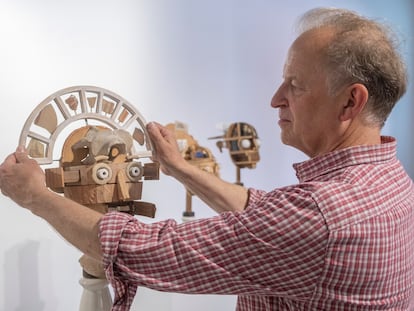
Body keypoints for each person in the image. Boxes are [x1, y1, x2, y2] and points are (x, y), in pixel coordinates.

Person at [0, 7, 413, 311]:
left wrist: (36, 196)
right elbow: (264, 217)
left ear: (350, 102)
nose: (275, 99)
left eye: (296, 85)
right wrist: (180, 168)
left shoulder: (320, 217)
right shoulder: (392, 184)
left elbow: (153, 250)